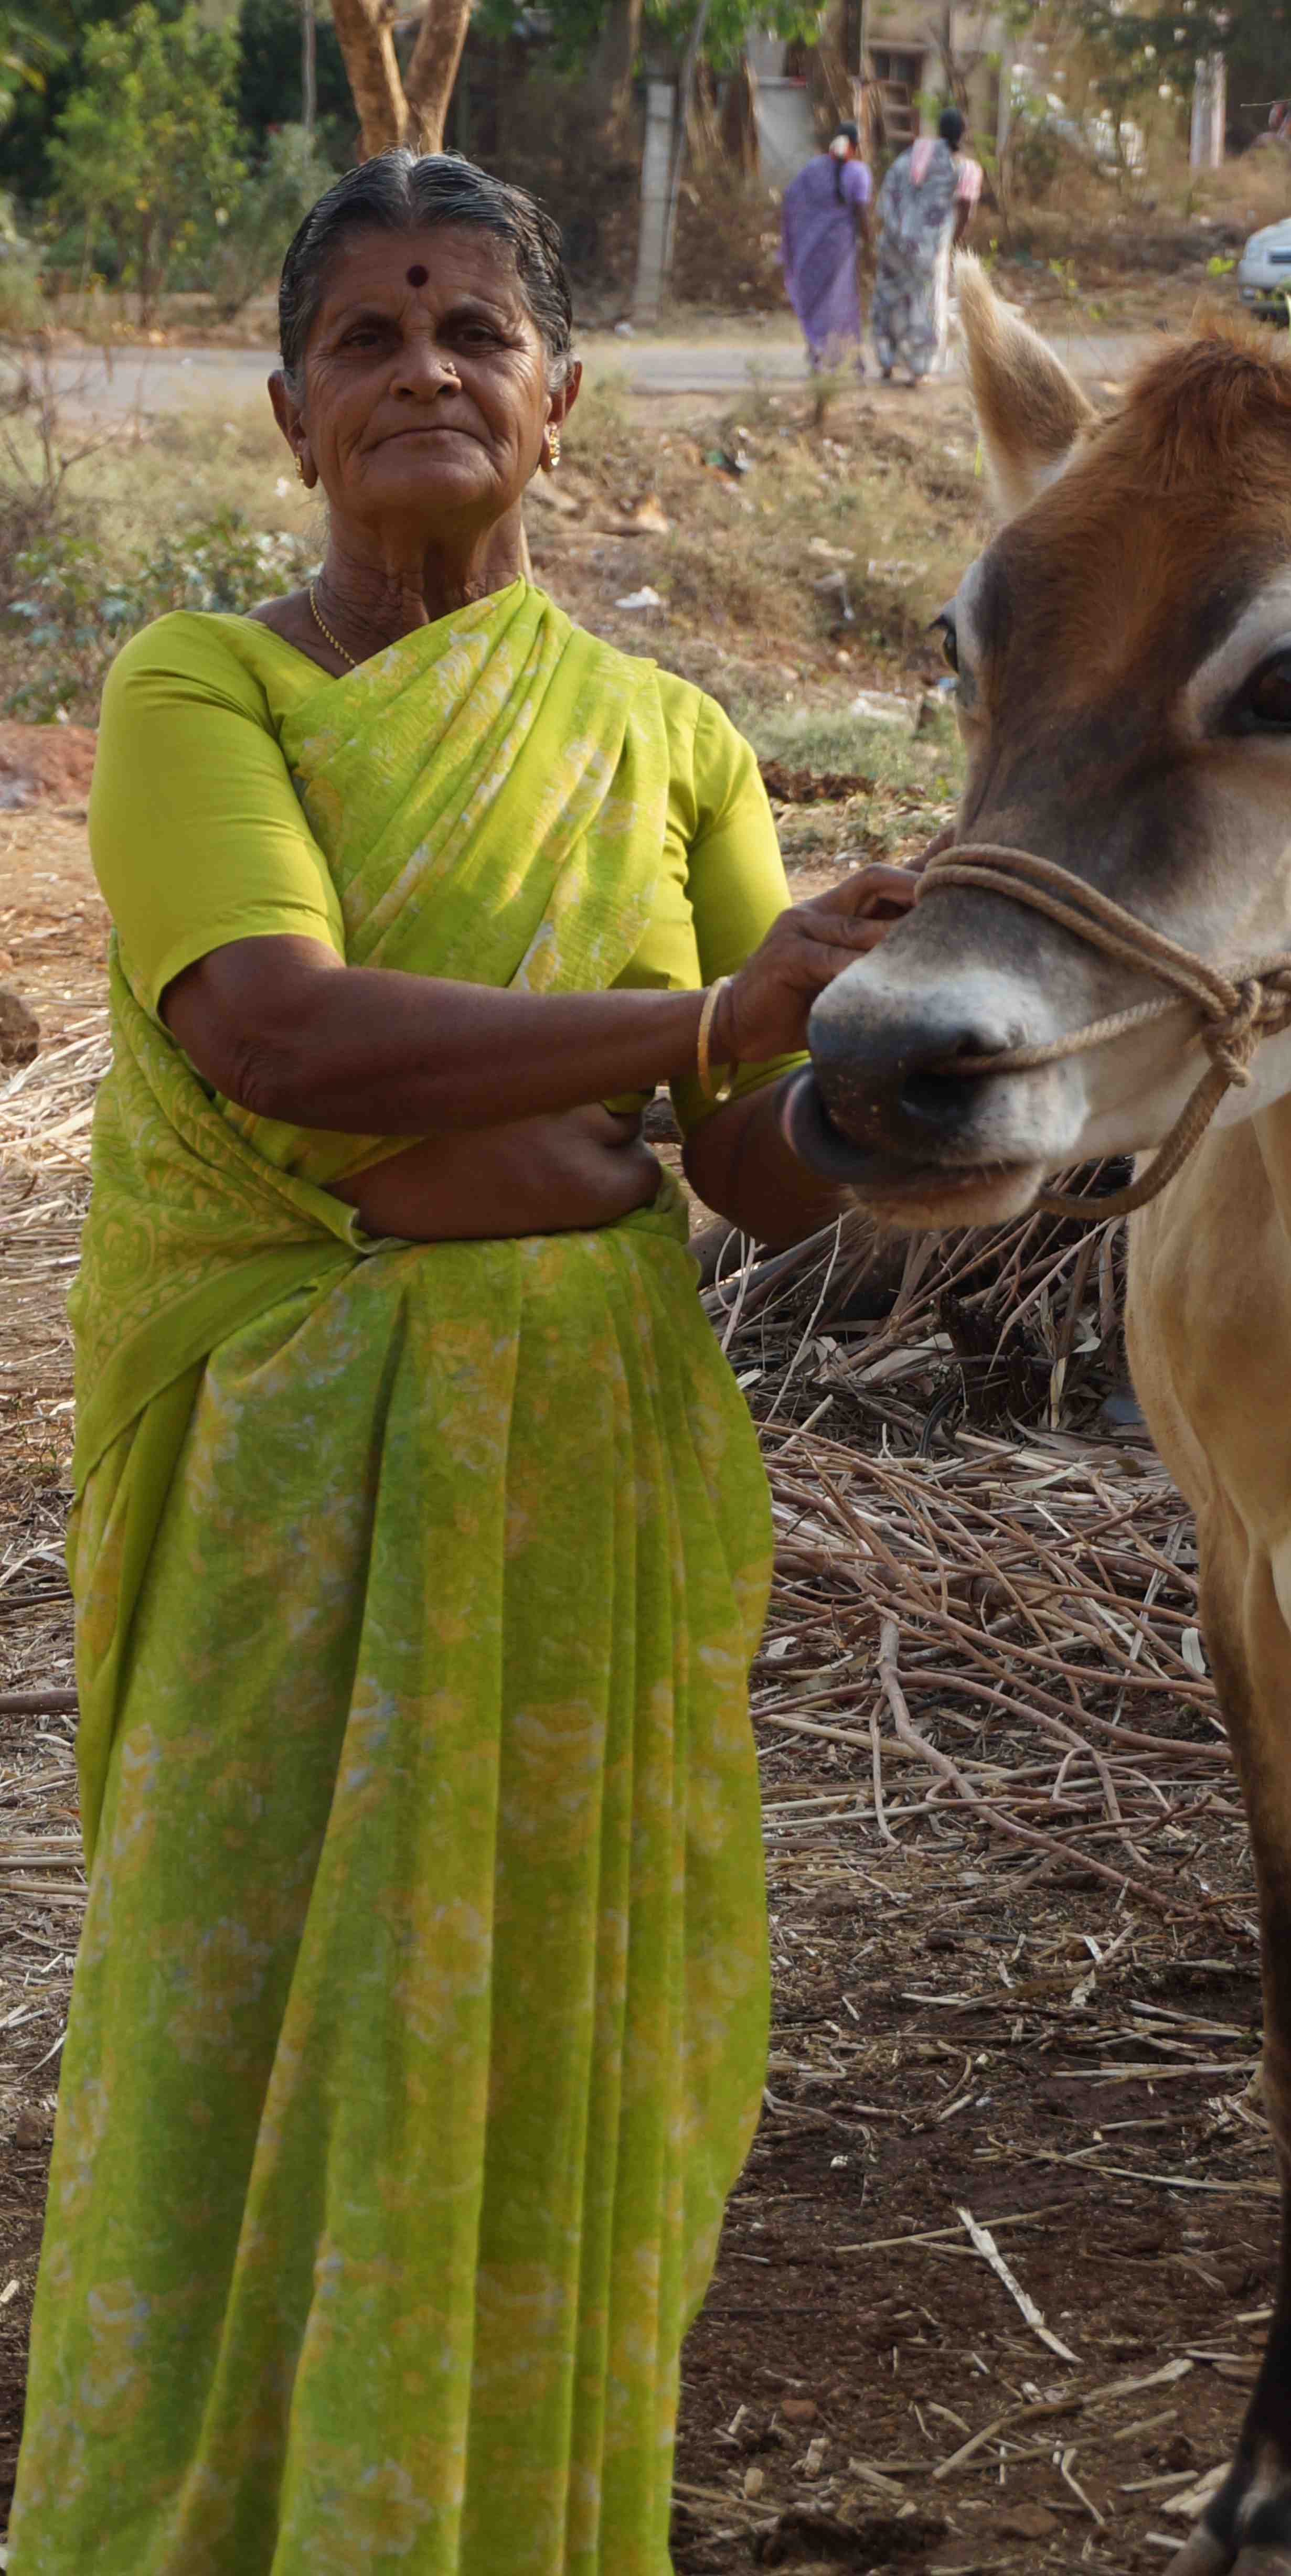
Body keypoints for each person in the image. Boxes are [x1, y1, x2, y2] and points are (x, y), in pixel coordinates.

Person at [8, 149, 914, 2576]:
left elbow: (755, 1170)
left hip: (577, 1495)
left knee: (524, 2047)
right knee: (242, 2026)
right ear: (287, 409)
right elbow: (282, 1031)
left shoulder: (666, 740)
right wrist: (710, 1012)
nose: (426, 371)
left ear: (562, 397)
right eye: (371, 336)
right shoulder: (204, 682)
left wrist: (923, 1079)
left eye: (475, 332)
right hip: (286, 1486)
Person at [871, 106, 983, 386]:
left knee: (891, 300)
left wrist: (895, 225)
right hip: (928, 250)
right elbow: (966, 209)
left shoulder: (915, 154)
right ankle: (919, 369)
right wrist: (952, 242)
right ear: (963, 134)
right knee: (926, 306)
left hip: (894, 243)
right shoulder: (965, 168)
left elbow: (890, 189)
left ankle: (887, 362)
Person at [780, 121, 871, 371]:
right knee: (841, 304)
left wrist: (796, 237)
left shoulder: (812, 169)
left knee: (816, 303)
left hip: (810, 250)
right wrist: (872, 245)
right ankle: (846, 360)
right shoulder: (859, 173)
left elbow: (790, 200)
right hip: (841, 252)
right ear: (856, 146)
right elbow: (862, 213)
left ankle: (817, 354)